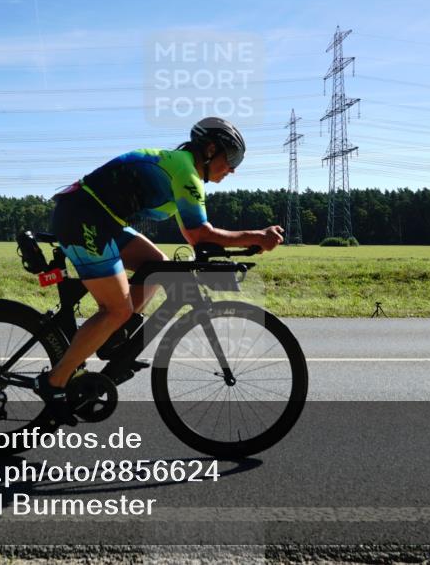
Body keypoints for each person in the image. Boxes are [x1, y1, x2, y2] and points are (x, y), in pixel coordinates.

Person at [34, 117, 285, 423]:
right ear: (209, 150)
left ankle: (112, 336)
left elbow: (194, 237)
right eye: (231, 159)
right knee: (116, 310)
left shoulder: (183, 170)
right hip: (85, 218)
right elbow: (200, 235)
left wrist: (244, 244)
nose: (233, 169)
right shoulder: (186, 172)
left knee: (160, 268)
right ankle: (54, 383)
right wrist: (256, 236)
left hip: (101, 219)